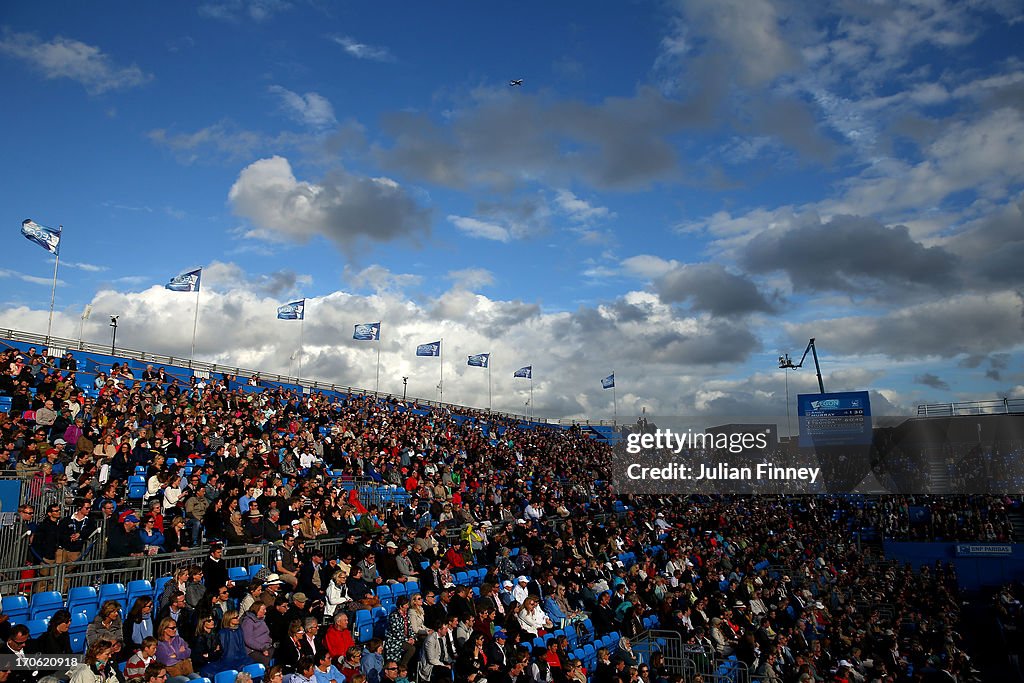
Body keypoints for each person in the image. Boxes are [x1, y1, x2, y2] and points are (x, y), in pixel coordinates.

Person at [155, 617, 198, 683]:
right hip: (170, 675)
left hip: (186, 670)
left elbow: (188, 652)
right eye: (172, 628)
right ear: (164, 629)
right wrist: (182, 655)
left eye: (175, 627)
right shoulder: (160, 645)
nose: (175, 630)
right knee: (185, 681)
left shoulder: (178, 639)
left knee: (197, 678)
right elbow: (167, 662)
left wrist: (176, 655)